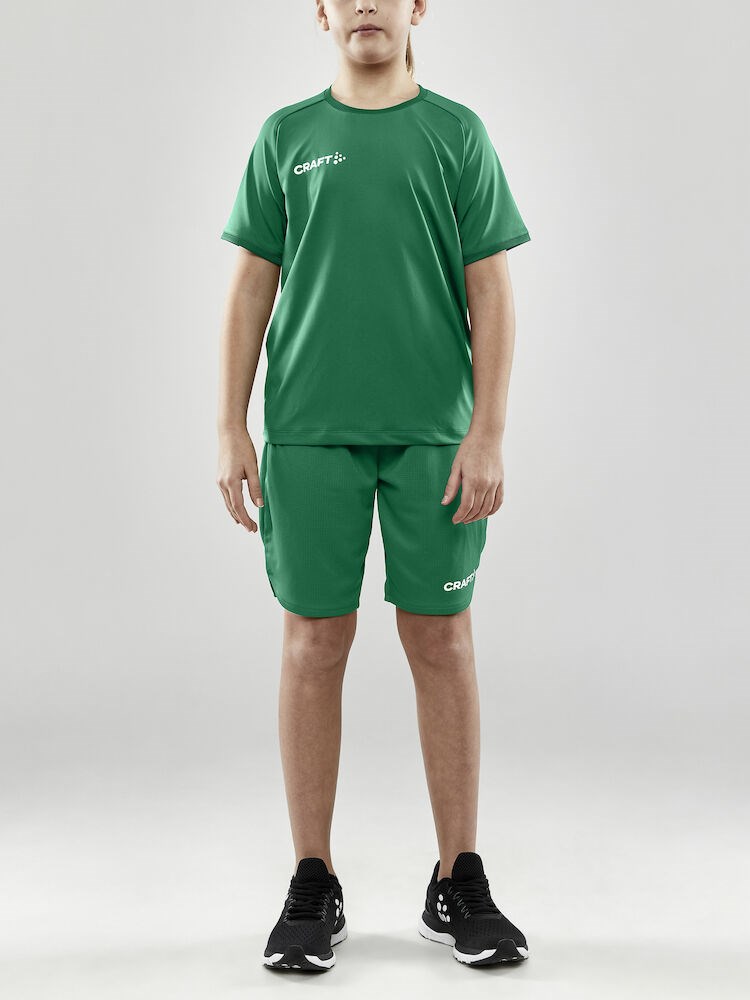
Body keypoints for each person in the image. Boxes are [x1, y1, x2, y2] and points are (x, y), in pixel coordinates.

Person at [217, 0, 531, 973]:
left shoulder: (457, 134)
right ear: (319, 10)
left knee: (442, 640)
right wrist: (230, 423)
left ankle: (458, 876)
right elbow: (252, 284)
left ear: (416, 6)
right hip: (310, 433)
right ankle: (312, 877)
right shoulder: (285, 137)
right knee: (314, 644)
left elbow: (490, 287)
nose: (364, 3)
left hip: (435, 437)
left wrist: (487, 432)